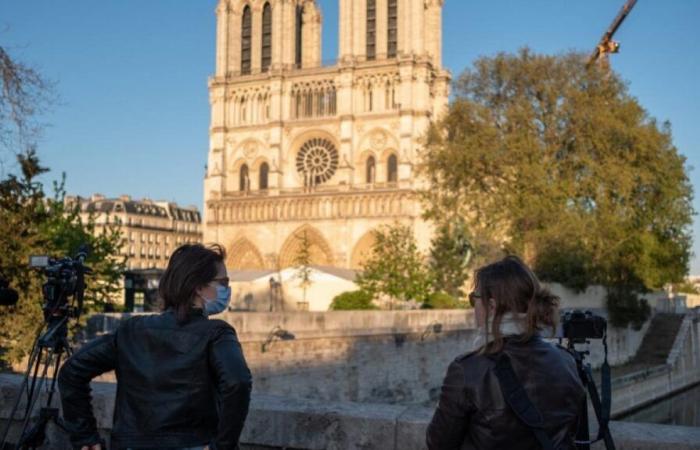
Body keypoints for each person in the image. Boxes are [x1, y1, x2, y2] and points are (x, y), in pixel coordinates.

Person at [58, 244, 252, 450]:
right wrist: (223, 446)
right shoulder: (216, 333)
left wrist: (85, 437)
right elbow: (238, 382)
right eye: (223, 282)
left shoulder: (131, 330)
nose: (227, 289)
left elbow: (72, 371)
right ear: (198, 286)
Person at [426, 256, 584, 449]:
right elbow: (571, 431)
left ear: (491, 307)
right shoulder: (566, 360)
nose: (473, 307)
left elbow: (438, 444)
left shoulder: (468, 370)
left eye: (473, 299)